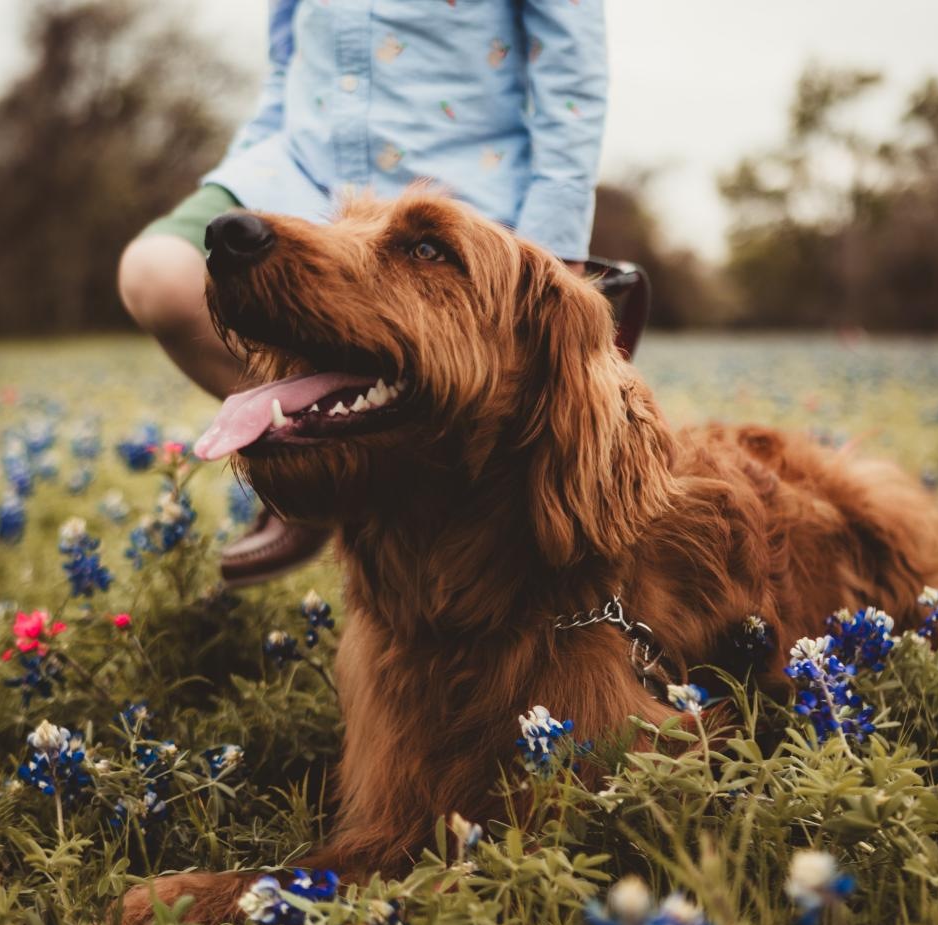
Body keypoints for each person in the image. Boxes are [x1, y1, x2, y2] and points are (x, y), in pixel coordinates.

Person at [118, 0, 608, 587]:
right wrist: (246, 166)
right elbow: (285, 67)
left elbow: (571, 73)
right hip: (299, 172)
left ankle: (376, 469)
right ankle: (315, 462)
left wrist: (552, 242)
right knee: (159, 272)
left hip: (458, 188)